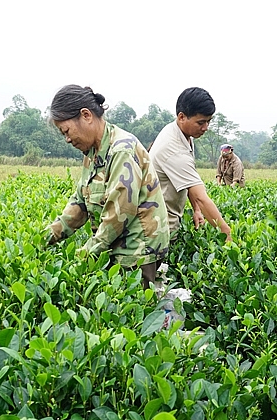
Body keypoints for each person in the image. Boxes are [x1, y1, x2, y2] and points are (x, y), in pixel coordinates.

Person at [46, 85, 169, 287]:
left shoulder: (122, 150)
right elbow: (80, 203)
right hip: (116, 247)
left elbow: (119, 214)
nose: (67, 139)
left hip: (138, 252)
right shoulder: (92, 153)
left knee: (133, 313)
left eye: (66, 131)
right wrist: (45, 238)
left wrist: (86, 254)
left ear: (86, 115)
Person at [149, 87, 232, 242]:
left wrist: (196, 209)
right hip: (157, 230)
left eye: (208, 121)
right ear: (182, 117)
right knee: (159, 266)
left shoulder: (183, 134)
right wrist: (226, 233)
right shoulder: (173, 149)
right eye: (200, 122)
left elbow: (188, 182)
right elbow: (201, 196)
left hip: (165, 221)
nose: (206, 128)